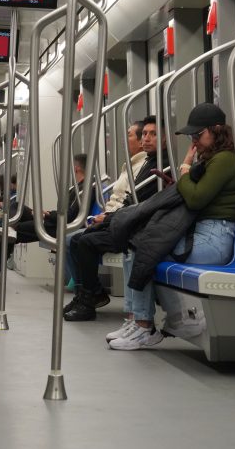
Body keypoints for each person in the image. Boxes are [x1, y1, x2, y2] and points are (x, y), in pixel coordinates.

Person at [107, 103, 235, 350]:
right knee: (136, 246)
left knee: (145, 250)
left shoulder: (224, 159)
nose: (194, 141)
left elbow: (196, 198)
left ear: (216, 130)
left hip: (215, 240)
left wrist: (185, 169)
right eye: (192, 137)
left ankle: (143, 325)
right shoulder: (212, 159)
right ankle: (136, 319)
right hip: (202, 234)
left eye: (198, 134)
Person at [62, 117, 165, 319]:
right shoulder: (137, 165)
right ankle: (87, 294)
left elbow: (135, 203)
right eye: (144, 134)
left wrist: (108, 218)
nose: (146, 138)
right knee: (76, 240)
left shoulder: (153, 166)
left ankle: (91, 297)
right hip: (120, 219)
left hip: (130, 224)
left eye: (152, 134)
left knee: (83, 241)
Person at [0, 154, 86, 284]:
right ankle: (10, 227)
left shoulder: (84, 189)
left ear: (76, 168)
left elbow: (70, 217)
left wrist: (47, 215)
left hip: (60, 226)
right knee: (17, 206)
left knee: (12, 232)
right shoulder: (76, 187)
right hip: (55, 220)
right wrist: (47, 213)